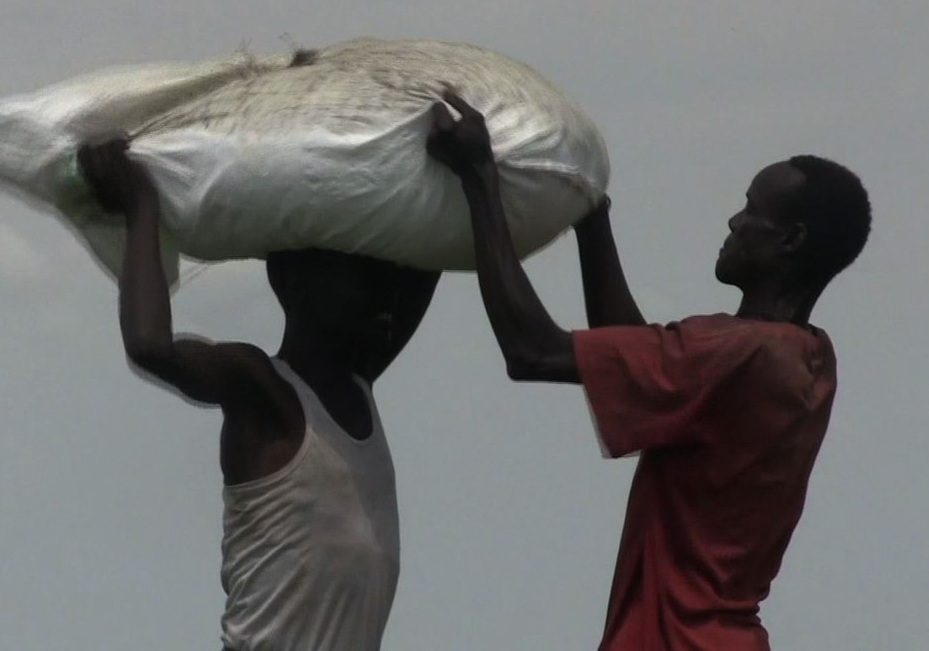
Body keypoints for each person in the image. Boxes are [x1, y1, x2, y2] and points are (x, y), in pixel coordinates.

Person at [425, 92, 871, 650]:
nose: (734, 220)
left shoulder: (735, 353)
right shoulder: (808, 357)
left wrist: (480, 184)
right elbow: (637, 355)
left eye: (752, 209)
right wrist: (591, 218)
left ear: (790, 240)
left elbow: (532, 351)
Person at [77, 139, 440, 651]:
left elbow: (434, 251)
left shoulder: (357, 384)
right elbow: (149, 346)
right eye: (361, 279)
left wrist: (438, 166)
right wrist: (142, 205)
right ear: (297, 285)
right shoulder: (264, 392)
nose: (383, 296)